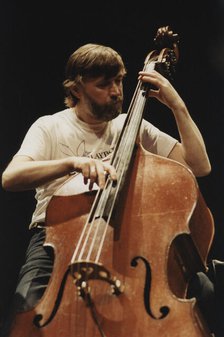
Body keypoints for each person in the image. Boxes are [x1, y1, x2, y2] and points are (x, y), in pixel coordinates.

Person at [1, 43, 216, 336]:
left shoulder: (131, 125)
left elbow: (199, 166)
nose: (116, 91)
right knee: (24, 309)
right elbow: (11, 177)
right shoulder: (50, 127)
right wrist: (72, 163)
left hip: (126, 235)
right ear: (76, 88)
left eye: (119, 80)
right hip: (57, 238)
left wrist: (178, 106)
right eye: (104, 85)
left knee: (204, 288)